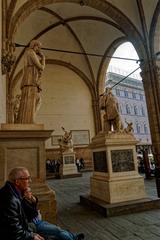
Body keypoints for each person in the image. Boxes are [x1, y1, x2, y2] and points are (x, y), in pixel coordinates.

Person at [0, 167, 44, 240]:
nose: (30, 181)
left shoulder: (14, 193)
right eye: (27, 178)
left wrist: (31, 199)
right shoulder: (10, 200)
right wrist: (32, 236)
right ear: (17, 182)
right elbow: (15, 232)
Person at [17, 39, 45, 123]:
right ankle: (29, 120)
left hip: (31, 77)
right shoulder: (31, 52)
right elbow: (41, 67)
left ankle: (29, 119)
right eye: (38, 47)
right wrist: (43, 58)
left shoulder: (29, 53)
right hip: (30, 78)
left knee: (35, 99)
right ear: (34, 45)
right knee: (33, 98)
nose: (39, 49)